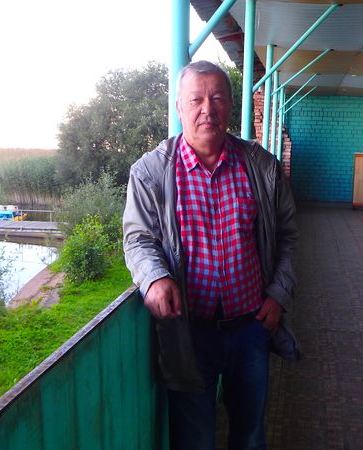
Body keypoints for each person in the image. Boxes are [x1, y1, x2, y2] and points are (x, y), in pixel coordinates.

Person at [123, 60, 299, 450]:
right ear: (179, 107)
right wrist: (154, 277)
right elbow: (137, 238)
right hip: (190, 331)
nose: (208, 109)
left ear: (230, 105)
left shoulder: (261, 166)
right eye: (196, 99)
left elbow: (288, 236)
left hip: (252, 325)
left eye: (217, 98)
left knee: (250, 436)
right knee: (195, 439)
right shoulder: (151, 172)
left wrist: (279, 294)